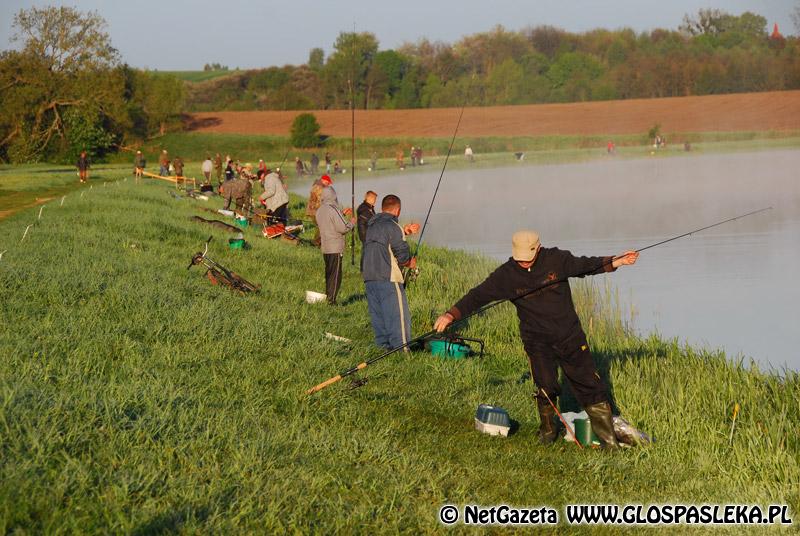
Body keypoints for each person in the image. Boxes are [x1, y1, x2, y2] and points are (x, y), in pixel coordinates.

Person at [433, 231, 639, 448]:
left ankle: (609, 442)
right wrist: (450, 315)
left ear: (538, 248)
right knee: (545, 387)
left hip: (569, 336)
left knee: (589, 384)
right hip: (537, 341)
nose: (523, 262)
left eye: (527, 257)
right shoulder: (506, 275)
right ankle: (548, 433)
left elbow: (585, 265)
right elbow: (477, 295)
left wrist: (616, 261)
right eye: (519, 258)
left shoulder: (556, 259)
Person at [362, 195, 420, 349]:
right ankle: (402, 351)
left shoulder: (372, 226)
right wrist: (410, 263)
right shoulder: (394, 227)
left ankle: (384, 350)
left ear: (382, 208)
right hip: (388, 277)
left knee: (379, 317)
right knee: (398, 317)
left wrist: (405, 231)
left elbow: (384, 240)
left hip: (369, 277)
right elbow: (402, 256)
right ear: (398, 210)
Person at [315, 187, 355, 305]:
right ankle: (331, 301)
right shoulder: (333, 209)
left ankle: (329, 297)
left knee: (329, 273)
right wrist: (352, 223)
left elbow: (330, 222)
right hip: (335, 247)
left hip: (325, 247)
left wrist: (342, 214)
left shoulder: (320, 210)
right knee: (336, 275)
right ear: (333, 196)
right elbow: (343, 227)